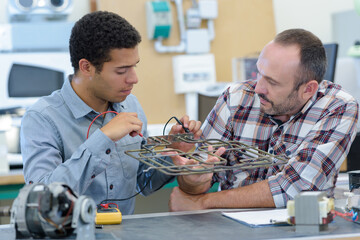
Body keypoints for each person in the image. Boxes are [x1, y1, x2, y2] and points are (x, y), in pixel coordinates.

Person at [20, 11, 202, 215]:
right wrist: (103, 138)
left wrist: (173, 153)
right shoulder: (42, 118)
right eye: (121, 71)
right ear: (86, 67)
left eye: (134, 67)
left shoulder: (130, 105)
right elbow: (42, 200)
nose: (133, 78)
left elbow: (143, 182)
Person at [168, 28, 359, 211]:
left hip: (299, 227)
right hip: (228, 225)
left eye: (272, 82)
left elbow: (296, 188)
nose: (258, 88)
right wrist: (193, 178)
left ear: (308, 90)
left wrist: (203, 202)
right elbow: (196, 184)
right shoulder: (235, 98)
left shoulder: (338, 107)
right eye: (259, 73)